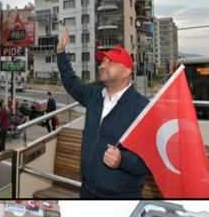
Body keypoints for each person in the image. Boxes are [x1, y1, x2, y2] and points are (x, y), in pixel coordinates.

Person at [56, 25, 150, 198]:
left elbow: (148, 162)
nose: (102, 65)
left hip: (120, 197)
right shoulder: (94, 95)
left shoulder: (142, 108)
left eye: (110, 62)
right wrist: (61, 53)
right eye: (102, 61)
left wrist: (122, 160)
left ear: (127, 71)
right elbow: (71, 82)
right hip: (87, 190)